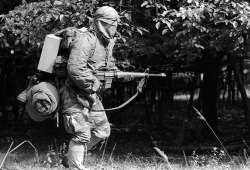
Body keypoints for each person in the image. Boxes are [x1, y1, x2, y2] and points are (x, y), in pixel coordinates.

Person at [61, 6, 127, 170]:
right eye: (112, 24)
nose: (114, 28)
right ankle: (76, 166)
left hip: (91, 95)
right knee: (82, 133)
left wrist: (121, 74)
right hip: (74, 94)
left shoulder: (106, 43)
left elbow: (107, 66)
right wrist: (95, 84)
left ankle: (69, 158)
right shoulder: (85, 39)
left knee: (102, 130)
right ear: (101, 23)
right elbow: (75, 69)